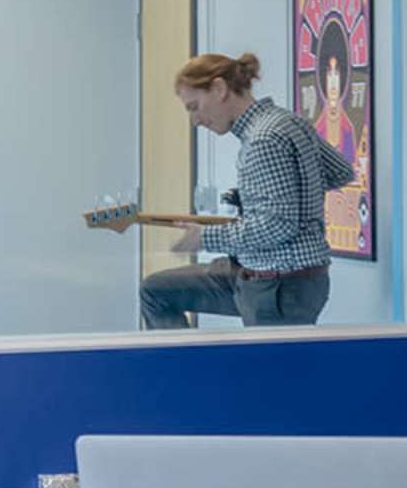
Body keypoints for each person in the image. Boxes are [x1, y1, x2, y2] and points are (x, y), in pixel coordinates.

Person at [103, 52, 357, 329]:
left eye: (194, 107)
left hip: (278, 285)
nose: (195, 121)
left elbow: (279, 225)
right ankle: (184, 359)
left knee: (269, 363)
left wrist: (204, 237)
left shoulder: (262, 140)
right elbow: (341, 172)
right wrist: (277, 194)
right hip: (282, 276)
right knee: (156, 291)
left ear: (219, 88)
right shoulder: (287, 121)